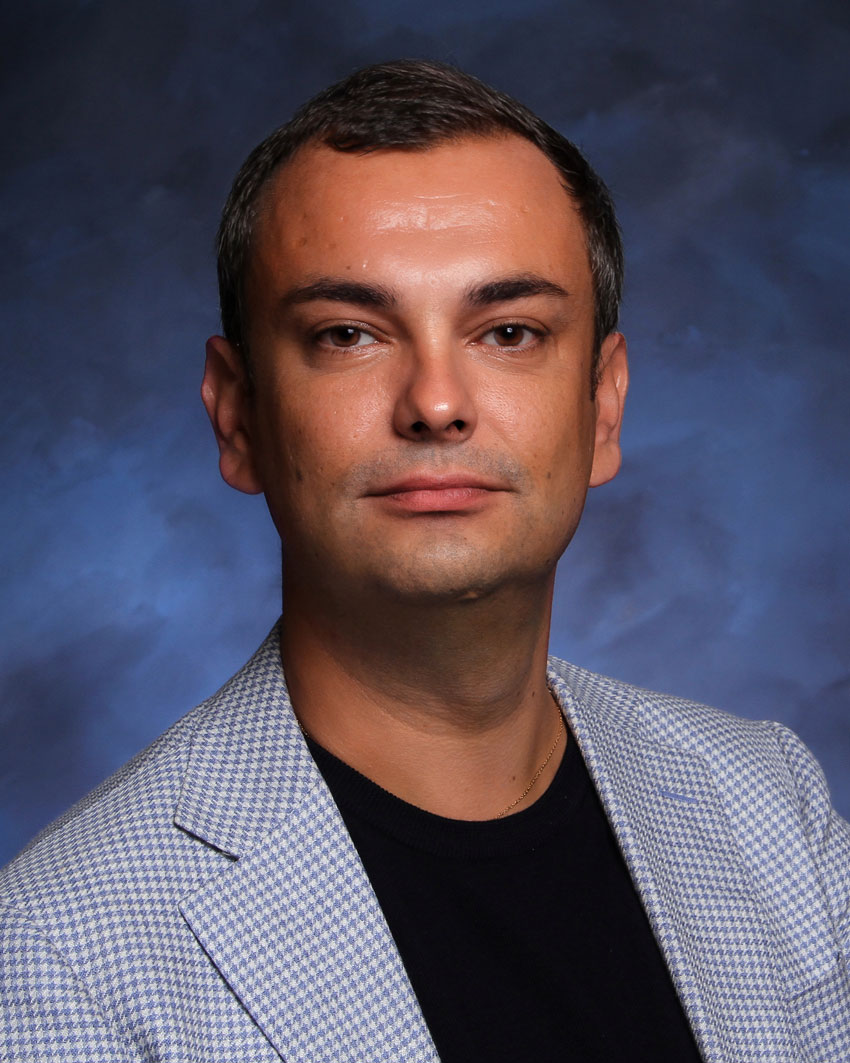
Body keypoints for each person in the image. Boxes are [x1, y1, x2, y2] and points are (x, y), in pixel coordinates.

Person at [1, 59, 848, 1063]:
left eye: (509, 331)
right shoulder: (58, 951)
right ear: (237, 417)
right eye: (348, 334)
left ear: (604, 406)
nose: (436, 402)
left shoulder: (769, 803)